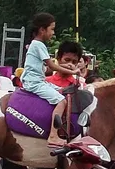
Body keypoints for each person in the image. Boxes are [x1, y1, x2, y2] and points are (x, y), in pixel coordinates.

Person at [22, 13, 77, 149]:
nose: (53, 33)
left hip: (36, 79)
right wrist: (72, 71)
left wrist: (65, 66)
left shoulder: (36, 44)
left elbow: (46, 66)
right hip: (34, 82)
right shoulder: (39, 45)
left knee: (61, 91)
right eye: (51, 29)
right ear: (42, 30)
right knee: (61, 100)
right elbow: (52, 66)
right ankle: (53, 135)